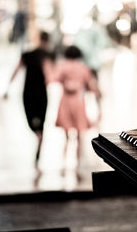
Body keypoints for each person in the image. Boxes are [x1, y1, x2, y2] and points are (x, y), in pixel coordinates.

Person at [4, 31, 53, 171]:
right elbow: (50, 74)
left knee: (32, 123)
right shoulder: (47, 56)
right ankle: (39, 140)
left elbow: (16, 70)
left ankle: (37, 136)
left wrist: (7, 87)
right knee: (41, 125)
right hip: (41, 94)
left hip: (28, 93)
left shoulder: (27, 54)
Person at [54, 46, 100, 178]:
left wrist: (66, 82)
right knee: (80, 135)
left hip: (65, 103)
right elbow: (92, 86)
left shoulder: (62, 66)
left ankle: (64, 164)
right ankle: (78, 164)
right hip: (79, 102)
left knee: (66, 136)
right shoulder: (83, 68)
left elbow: (53, 79)